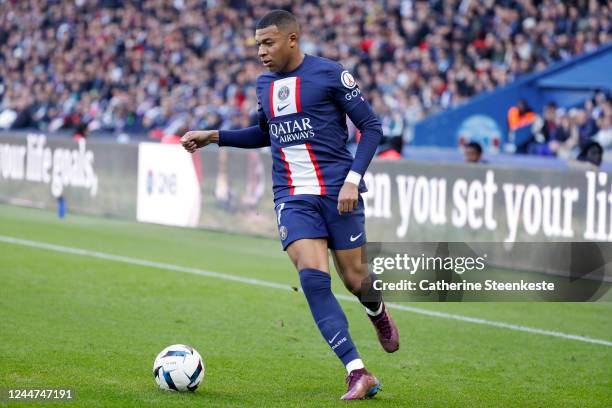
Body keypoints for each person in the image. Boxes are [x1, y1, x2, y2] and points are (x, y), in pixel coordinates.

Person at [181, 10, 398, 400]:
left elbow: (372, 127)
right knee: (313, 278)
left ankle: (376, 311)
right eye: (258, 45)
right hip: (292, 197)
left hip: (338, 191)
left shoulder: (330, 73)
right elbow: (264, 134)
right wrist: (215, 136)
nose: (261, 52)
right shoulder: (265, 86)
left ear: (292, 39)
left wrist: (353, 179)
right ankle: (357, 371)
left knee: (354, 280)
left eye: (268, 43)